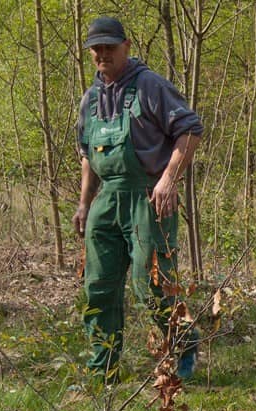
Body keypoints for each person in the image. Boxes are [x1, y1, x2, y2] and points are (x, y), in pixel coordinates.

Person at [73, 16, 203, 383]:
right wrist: (85, 203)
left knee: (152, 285)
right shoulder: (91, 99)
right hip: (107, 198)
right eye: (96, 49)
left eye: (110, 47)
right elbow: (87, 155)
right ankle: (104, 368)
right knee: (97, 285)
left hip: (149, 196)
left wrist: (168, 180)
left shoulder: (150, 86)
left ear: (126, 46)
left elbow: (190, 130)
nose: (103, 54)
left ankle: (183, 344)